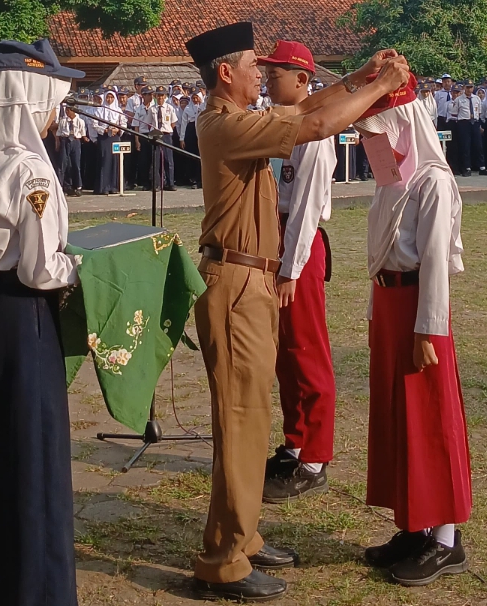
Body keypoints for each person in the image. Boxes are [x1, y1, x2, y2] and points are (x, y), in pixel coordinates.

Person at [185, 21, 410, 602]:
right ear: (225, 73)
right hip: (236, 282)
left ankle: (241, 535)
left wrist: (360, 78)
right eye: (252, 67)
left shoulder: (238, 119)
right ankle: (223, 560)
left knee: (252, 419)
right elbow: (314, 125)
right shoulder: (225, 123)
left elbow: (307, 106)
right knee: (240, 422)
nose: (261, 76)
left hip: (249, 280)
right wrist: (380, 85)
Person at [0, 38, 84, 606]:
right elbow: (43, 269)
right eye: (51, 101)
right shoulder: (31, 171)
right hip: (25, 320)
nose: (55, 114)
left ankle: (3, 588)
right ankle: (40, 591)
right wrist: (87, 266)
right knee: (35, 461)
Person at [353, 73, 471, 588]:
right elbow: (381, 254)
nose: (372, 145)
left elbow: (435, 263)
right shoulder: (392, 184)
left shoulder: (432, 182)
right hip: (390, 303)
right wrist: (375, 312)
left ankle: (444, 539)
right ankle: (413, 524)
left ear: (402, 125)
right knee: (397, 416)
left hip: (420, 309)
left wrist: (429, 330)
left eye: (378, 133)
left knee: (429, 416)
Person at [257, 40, 337, 504]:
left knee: (307, 351)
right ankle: (295, 442)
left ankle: (315, 458)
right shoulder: (280, 126)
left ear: (302, 80)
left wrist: (291, 269)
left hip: (299, 248)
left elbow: (306, 209)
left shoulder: (314, 137)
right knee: (285, 353)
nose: (268, 81)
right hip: (278, 239)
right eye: (267, 74)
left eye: (276, 75)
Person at [453, 79, 487, 176]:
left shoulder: (476, 98)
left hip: (475, 122)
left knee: (478, 145)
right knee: (465, 146)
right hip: (464, 123)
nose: (469, 89)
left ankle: (482, 167)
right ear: (464, 88)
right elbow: (454, 113)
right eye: (467, 87)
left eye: (471, 87)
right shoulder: (459, 99)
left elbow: (479, 112)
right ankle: (467, 168)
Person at [93, 88, 123, 195]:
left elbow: (123, 123)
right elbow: (95, 124)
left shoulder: (118, 110)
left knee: (115, 160)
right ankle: (104, 187)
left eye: (111, 97)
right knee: (105, 160)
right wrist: (105, 130)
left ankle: (114, 186)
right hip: (104, 138)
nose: (109, 99)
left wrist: (118, 129)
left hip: (115, 137)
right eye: (108, 97)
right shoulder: (99, 110)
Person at [56, 105, 85, 196]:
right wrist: (58, 143)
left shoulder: (80, 121)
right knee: (63, 164)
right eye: (66, 110)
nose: (67, 112)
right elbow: (59, 133)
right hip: (65, 141)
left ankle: (78, 186)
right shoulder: (63, 121)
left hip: (75, 142)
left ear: (73, 111)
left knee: (76, 164)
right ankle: (61, 186)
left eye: (69, 110)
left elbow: (82, 133)